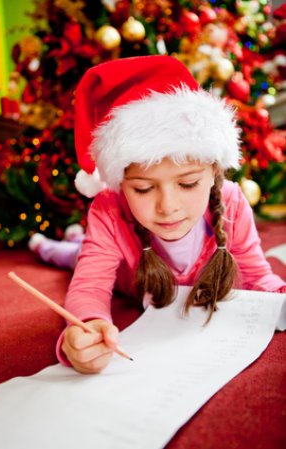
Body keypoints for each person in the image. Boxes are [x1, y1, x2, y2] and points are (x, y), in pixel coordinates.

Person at [29, 55, 286, 375]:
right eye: (144, 189)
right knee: (72, 256)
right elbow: (90, 286)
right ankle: (44, 245)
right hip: (121, 274)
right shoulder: (109, 209)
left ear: (214, 171)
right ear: (122, 183)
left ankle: (72, 236)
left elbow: (257, 274)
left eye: (188, 183)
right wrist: (88, 327)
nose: (168, 207)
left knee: (80, 245)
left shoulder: (231, 201)